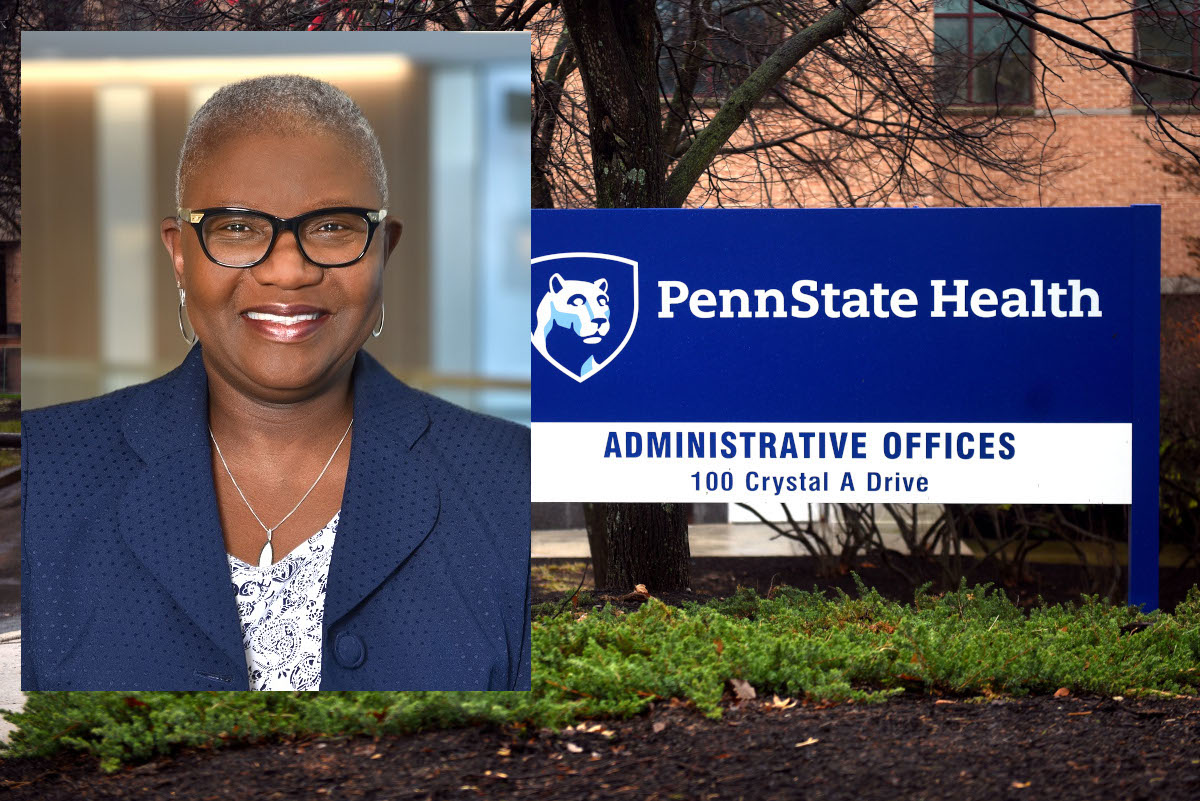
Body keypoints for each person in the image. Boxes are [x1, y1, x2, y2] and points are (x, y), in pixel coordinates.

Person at [20, 75, 531, 692]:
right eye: (236, 228)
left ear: (383, 252)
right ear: (180, 253)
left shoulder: (507, 477)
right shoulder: (48, 470)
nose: (287, 271)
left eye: (334, 227)